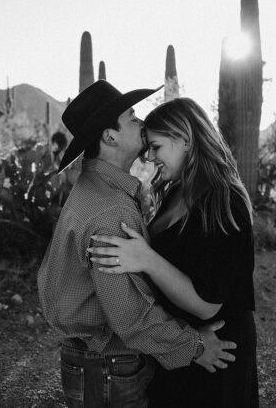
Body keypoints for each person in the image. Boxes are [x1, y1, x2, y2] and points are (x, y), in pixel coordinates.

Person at [37, 80, 237, 408]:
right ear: (109, 135)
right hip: (109, 367)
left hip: (91, 361)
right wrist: (197, 346)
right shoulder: (110, 210)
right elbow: (131, 316)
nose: (141, 123)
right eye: (132, 117)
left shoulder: (93, 187)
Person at [87, 97, 258, 407]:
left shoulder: (223, 202)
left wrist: (146, 259)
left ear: (185, 140)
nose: (150, 158)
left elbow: (208, 305)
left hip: (217, 349)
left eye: (156, 147)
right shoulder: (178, 190)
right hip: (183, 343)